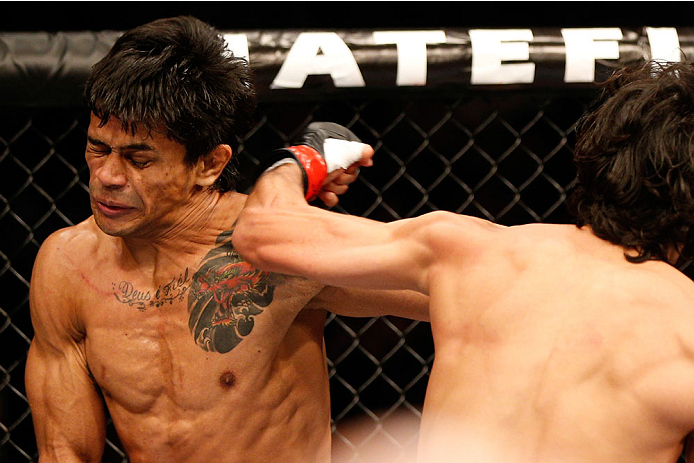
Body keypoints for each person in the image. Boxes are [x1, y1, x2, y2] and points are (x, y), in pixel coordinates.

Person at [233, 60, 694, 463]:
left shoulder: (470, 252)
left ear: (596, 160)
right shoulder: (683, 326)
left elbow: (264, 231)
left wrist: (305, 159)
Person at [24, 16, 428, 463]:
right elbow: (64, 451)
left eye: (139, 159)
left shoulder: (277, 249)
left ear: (209, 165)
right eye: (98, 148)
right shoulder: (68, 266)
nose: (106, 177)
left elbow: (465, 292)